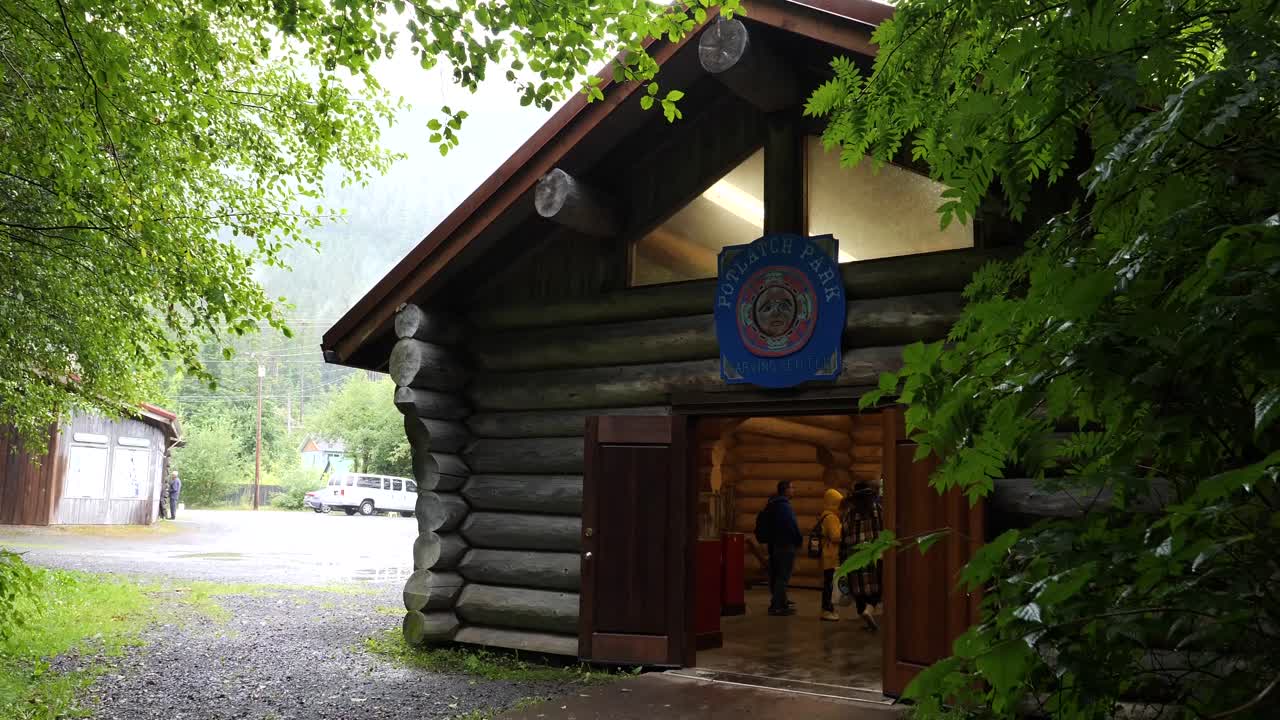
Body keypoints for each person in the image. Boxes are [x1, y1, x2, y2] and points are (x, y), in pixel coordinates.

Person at [839, 481, 884, 630]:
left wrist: (843, 560)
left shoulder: (849, 515)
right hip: (875, 555)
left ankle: (864, 614)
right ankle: (869, 610)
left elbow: (843, 536)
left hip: (855, 557)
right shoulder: (879, 510)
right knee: (877, 588)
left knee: (858, 589)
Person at [764, 480, 803, 616]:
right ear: (785, 490)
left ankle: (782, 602)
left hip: (775, 545)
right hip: (786, 545)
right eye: (792, 488)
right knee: (783, 576)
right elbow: (791, 526)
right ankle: (776, 606)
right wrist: (799, 540)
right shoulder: (784, 506)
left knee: (777, 575)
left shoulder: (773, 504)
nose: (794, 490)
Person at [819, 488, 844, 622]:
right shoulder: (832, 517)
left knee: (828, 583)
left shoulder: (825, 514)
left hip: (826, 554)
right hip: (831, 555)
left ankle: (828, 609)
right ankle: (827, 610)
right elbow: (836, 537)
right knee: (830, 585)